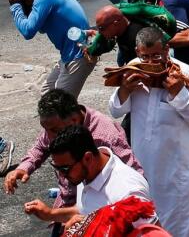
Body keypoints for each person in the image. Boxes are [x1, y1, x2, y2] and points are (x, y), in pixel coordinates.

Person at [110, 27, 189, 237]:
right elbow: (115, 110)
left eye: (156, 55)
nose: (152, 62)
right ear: (137, 52)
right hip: (144, 172)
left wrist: (179, 94)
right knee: (147, 230)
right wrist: (125, 89)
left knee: (180, 230)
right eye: (145, 56)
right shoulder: (132, 70)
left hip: (178, 174)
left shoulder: (185, 73)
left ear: (166, 49)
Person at [4, 90, 140, 216]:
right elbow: (40, 147)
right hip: (66, 209)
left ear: (74, 120)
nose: (50, 137)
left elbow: (135, 176)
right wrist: (23, 167)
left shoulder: (106, 136)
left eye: (65, 168)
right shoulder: (55, 129)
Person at [23, 125, 155, 229]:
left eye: (65, 169)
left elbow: (153, 233)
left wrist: (81, 233)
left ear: (87, 158)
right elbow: (85, 210)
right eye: (57, 168)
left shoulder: (128, 192)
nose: (62, 175)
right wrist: (50, 214)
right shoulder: (87, 172)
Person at [9, 0, 93, 96]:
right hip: (70, 54)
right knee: (47, 94)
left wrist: (15, 6)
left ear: (29, 1)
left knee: (61, 105)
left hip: (79, 55)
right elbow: (41, 29)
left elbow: (28, 31)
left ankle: (86, 114)